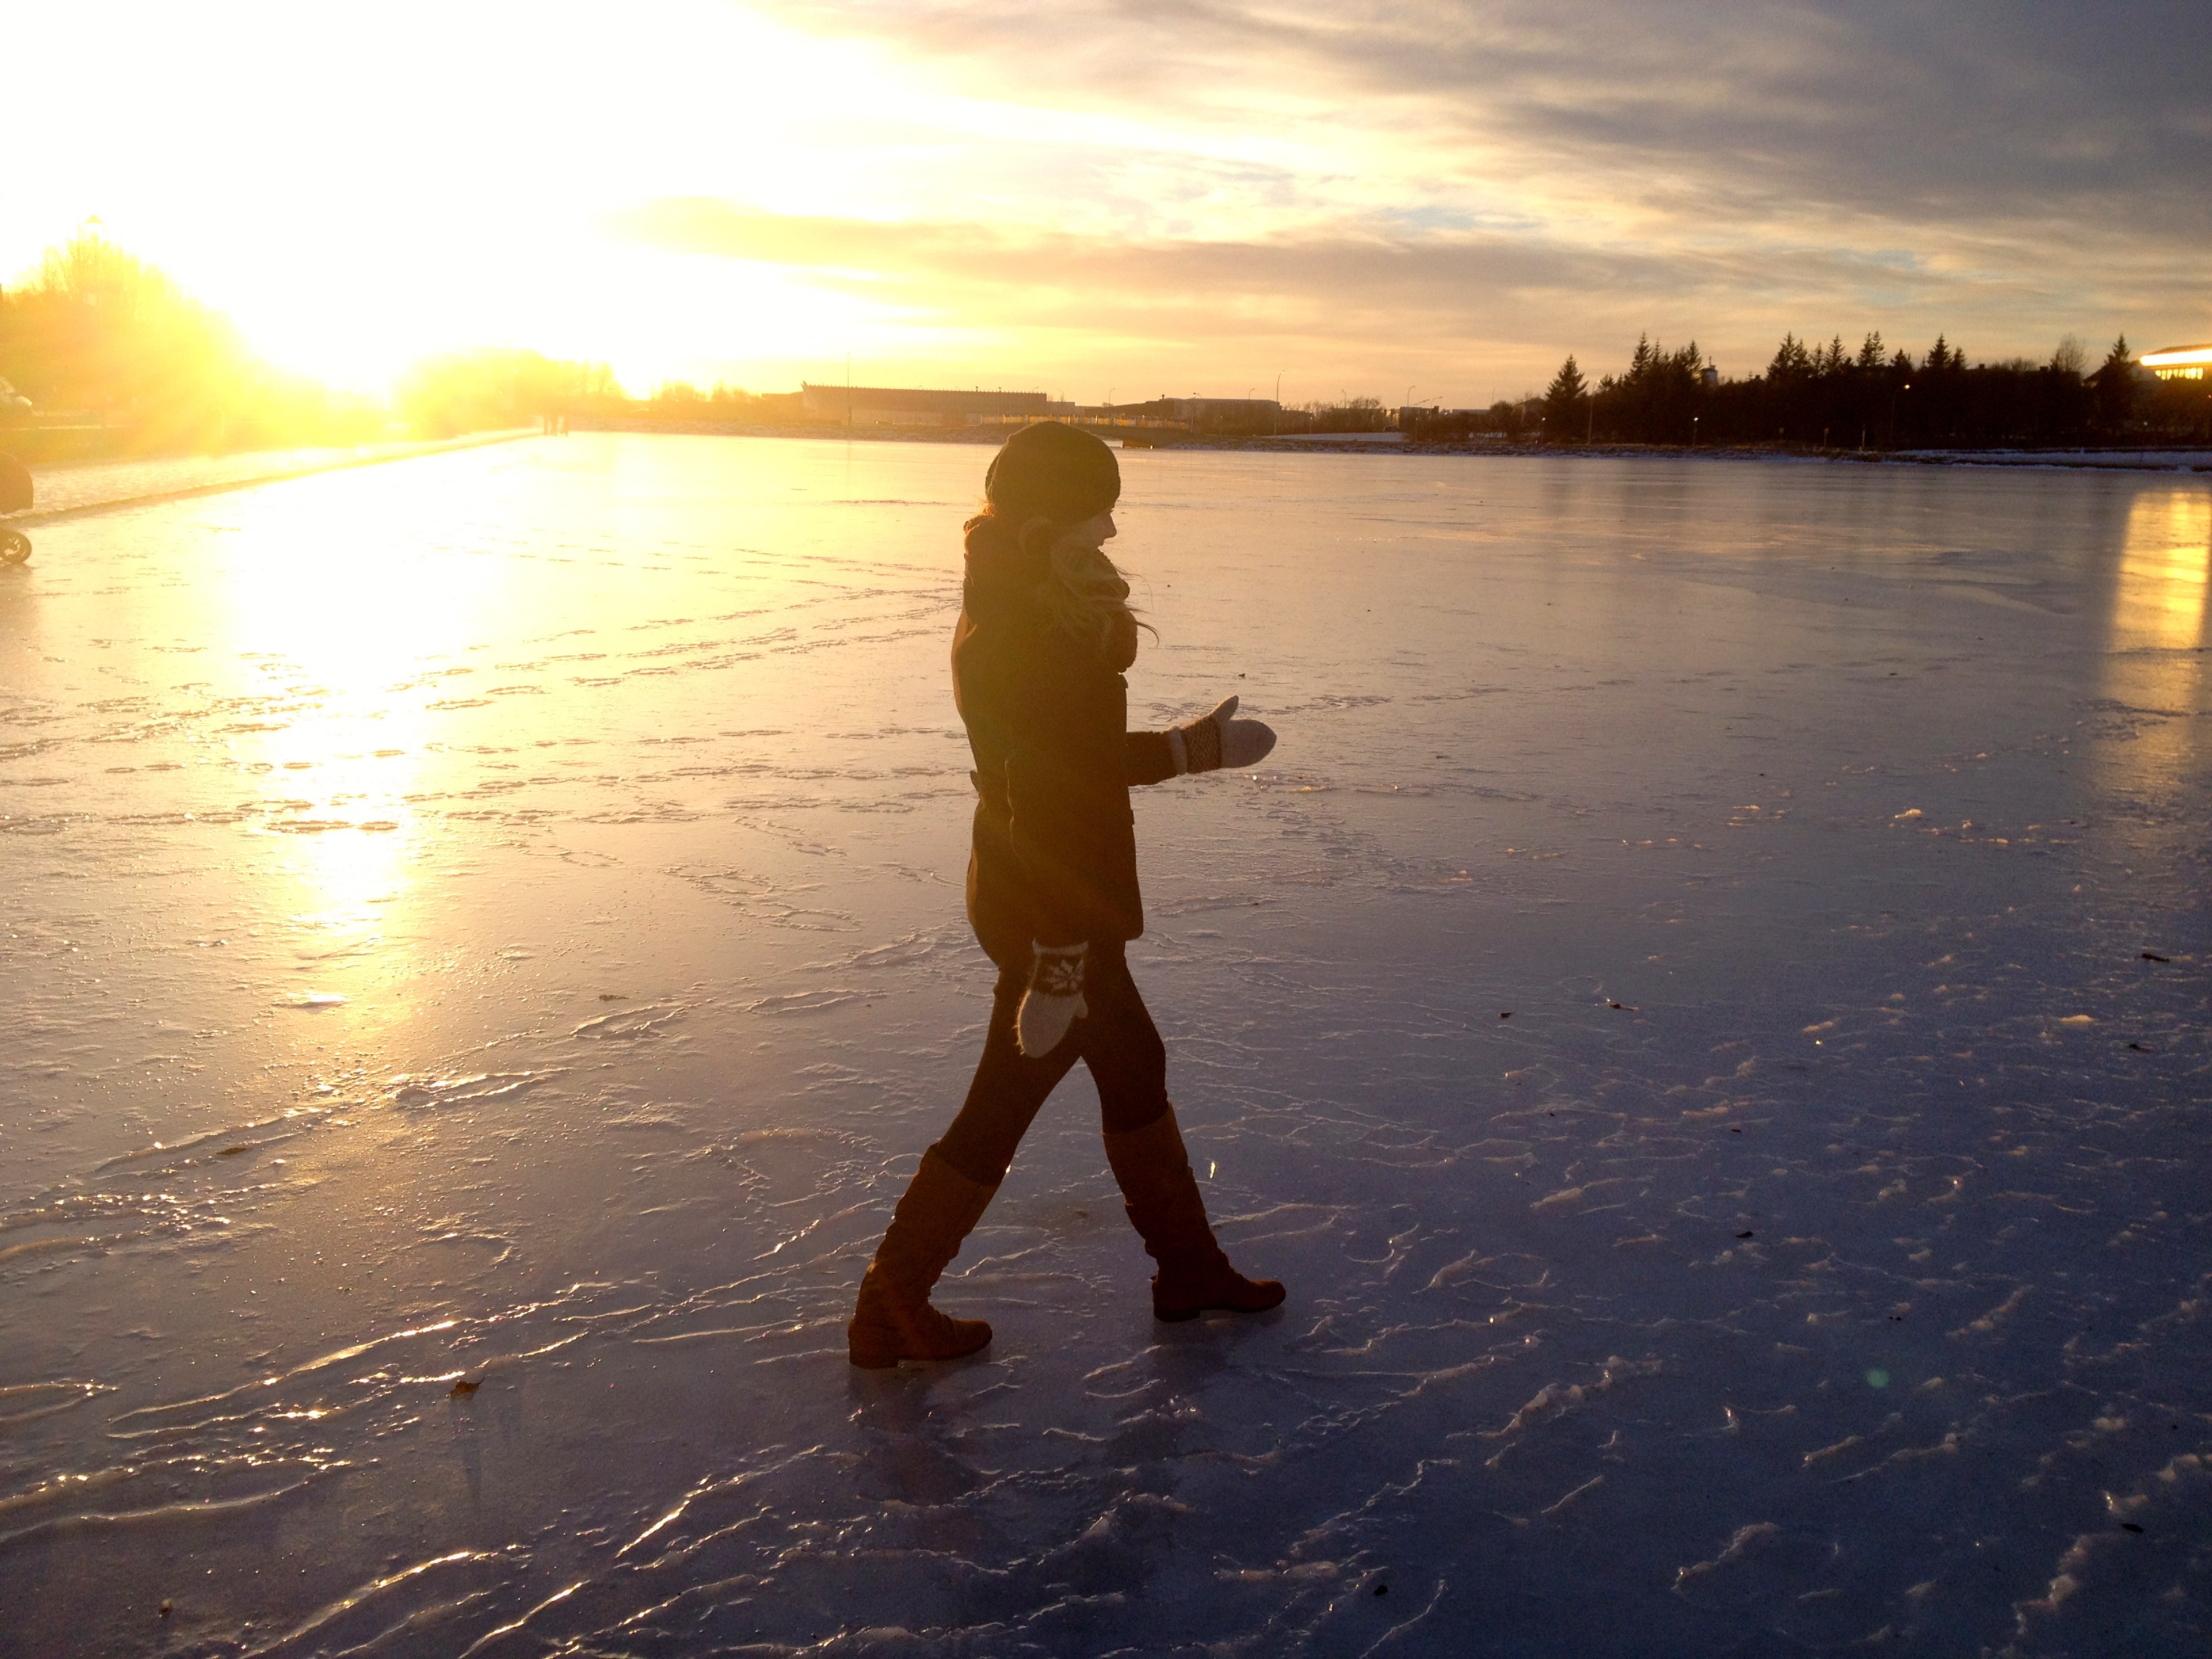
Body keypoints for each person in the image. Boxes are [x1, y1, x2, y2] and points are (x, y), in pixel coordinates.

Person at [848, 422, 1286, 1368]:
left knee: (1134, 1067)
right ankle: (891, 1304)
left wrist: (1189, 750)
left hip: (1051, 896)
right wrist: (1057, 952)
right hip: (1053, 905)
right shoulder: (1024, 631)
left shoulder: (1030, 605)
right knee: (1005, 1102)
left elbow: (1074, 763)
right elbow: (1046, 790)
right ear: (1050, 521)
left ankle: (1188, 1269)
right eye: (1100, 515)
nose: (1113, 537)